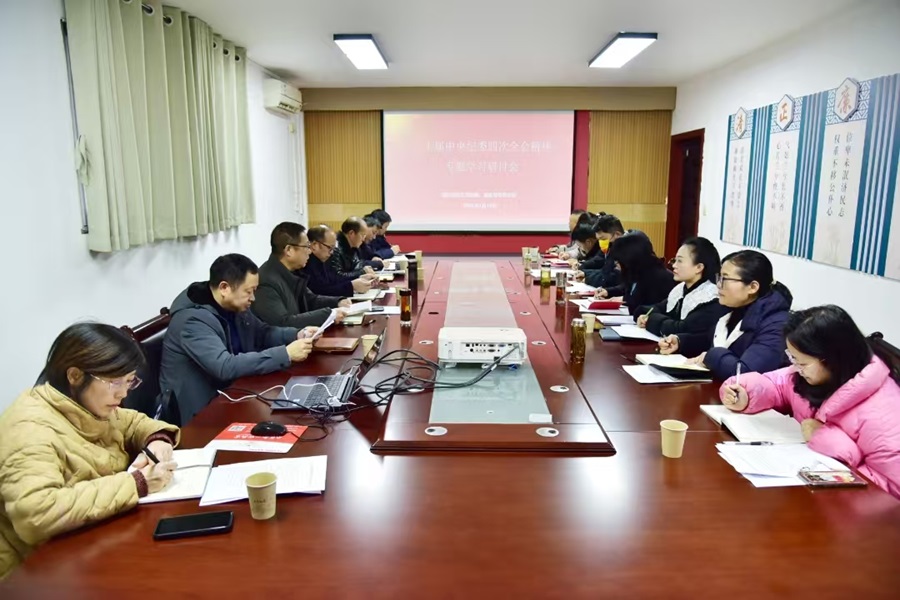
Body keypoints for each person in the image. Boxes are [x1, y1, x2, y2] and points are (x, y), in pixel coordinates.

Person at [0, 323, 179, 578]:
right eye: (115, 382)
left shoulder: (83, 403)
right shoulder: (29, 429)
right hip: (36, 573)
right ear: (75, 376)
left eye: (129, 381)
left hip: (89, 546)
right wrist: (136, 483)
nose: (123, 393)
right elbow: (35, 514)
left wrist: (157, 440)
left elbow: (131, 422)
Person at [719, 305, 900, 498]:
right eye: (792, 359)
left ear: (832, 359)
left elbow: (891, 491)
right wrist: (746, 395)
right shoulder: (813, 376)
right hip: (807, 493)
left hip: (845, 508)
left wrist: (828, 441)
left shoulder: (883, 414)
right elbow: (778, 385)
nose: (796, 368)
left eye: (802, 363)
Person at [160, 254, 316, 424]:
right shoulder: (192, 321)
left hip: (234, 393)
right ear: (224, 288)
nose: (253, 298)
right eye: (248, 291)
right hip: (200, 415)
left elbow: (262, 332)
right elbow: (224, 366)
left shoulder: (233, 306)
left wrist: (297, 334)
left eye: (254, 291)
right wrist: (285, 354)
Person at [659, 249, 792, 379]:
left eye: (725, 279)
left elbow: (744, 373)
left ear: (752, 287)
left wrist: (710, 356)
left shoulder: (777, 325)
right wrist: (681, 342)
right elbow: (716, 341)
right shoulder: (733, 307)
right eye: (719, 277)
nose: (718, 284)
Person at [253, 222, 353, 329]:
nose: (309, 251)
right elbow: (283, 323)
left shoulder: (292, 272)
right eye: (306, 246)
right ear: (289, 250)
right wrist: (329, 314)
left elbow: (311, 300)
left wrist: (338, 302)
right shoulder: (266, 281)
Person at [636, 237, 728, 339]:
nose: (674, 265)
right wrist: (643, 316)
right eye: (675, 260)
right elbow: (657, 308)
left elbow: (679, 329)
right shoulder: (681, 289)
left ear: (699, 267)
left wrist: (651, 319)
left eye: (680, 261)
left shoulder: (710, 297)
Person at [602, 234, 675, 316]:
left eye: (619, 261)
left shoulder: (658, 277)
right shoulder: (638, 272)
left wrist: (624, 299)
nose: (616, 264)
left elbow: (643, 306)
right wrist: (609, 292)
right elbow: (629, 289)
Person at [302, 225, 376, 297]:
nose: (332, 252)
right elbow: (319, 292)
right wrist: (351, 286)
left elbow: (334, 280)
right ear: (314, 245)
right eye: (329, 248)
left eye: (333, 248)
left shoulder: (324, 258)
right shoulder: (307, 263)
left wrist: (359, 278)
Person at [583, 214, 649, 289]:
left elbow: (615, 278)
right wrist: (585, 273)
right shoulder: (612, 244)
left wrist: (587, 279)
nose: (601, 242)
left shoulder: (631, 246)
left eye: (603, 239)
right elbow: (606, 271)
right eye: (599, 240)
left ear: (617, 234)